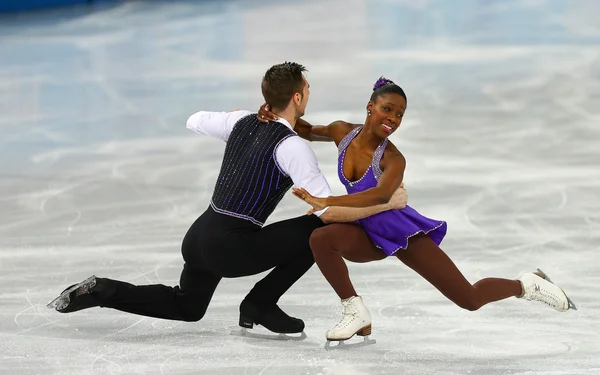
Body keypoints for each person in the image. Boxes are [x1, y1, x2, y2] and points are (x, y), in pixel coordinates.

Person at [46, 63, 409, 338]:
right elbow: (327, 209)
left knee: (188, 307)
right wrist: (386, 204)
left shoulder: (239, 121)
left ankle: (104, 290)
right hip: (231, 247)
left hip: (199, 236)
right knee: (318, 231)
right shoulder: (293, 148)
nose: (309, 94)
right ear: (297, 97)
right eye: (307, 89)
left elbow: (194, 119)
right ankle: (260, 303)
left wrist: (253, 113)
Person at [257, 76, 575, 344]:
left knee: (470, 298)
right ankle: (356, 313)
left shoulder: (392, 158)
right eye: (387, 109)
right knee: (321, 239)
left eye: (399, 114)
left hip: (399, 232)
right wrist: (275, 113)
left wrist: (329, 201)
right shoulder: (342, 131)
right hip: (366, 231)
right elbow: (307, 130)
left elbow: (380, 196)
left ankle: (527, 284)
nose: (393, 119)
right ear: (370, 107)